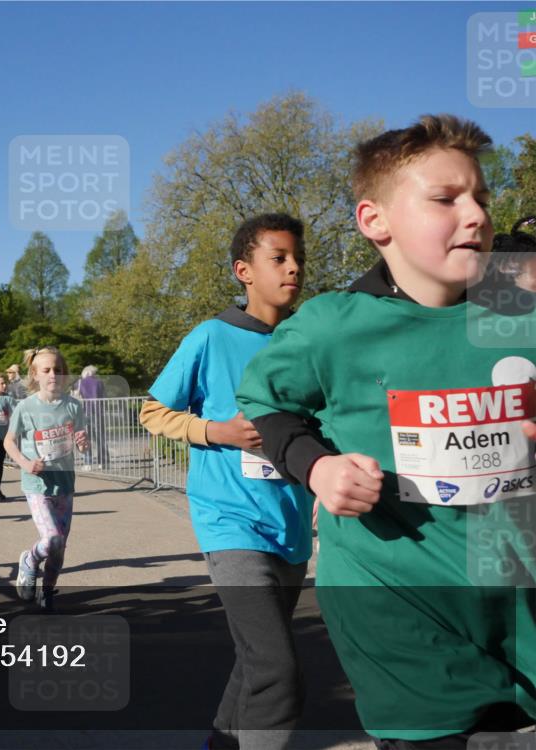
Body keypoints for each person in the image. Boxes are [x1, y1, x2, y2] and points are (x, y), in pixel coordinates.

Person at [237, 115, 536, 746]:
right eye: (445, 199)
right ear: (376, 221)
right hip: (396, 603)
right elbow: (266, 402)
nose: (476, 215)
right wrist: (317, 465)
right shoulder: (333, 325)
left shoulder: (522, 315)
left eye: (482, 198)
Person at [140, 213, 311, 750]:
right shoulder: (211, 336)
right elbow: (152, 411)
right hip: (229, 520)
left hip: (290, 525)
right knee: (278, 670)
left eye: (298, 258)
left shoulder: (307, 339)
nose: (293, 268)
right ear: (244, 271)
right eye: (278, 258)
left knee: (255, 660)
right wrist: (217, 431)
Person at [4, 347, 88, 613]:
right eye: (47, 370)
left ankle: (48, 591)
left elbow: (81, 443)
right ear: (35, 375)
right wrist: (26, 463)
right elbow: (9, 441)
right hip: (37, 485)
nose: (53, 374)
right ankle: (29, 561)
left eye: (58, 370)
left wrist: (83, 443)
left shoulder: (74, 406)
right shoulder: (25, 407)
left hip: (65, 484)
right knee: (52, 538)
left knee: (59, 546)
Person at [76, 365, 108, 470]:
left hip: (84, 413)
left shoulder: (80, 382)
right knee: (100, 438)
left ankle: (88, 463)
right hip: (98, 413)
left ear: (85, 372)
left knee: (86, 438)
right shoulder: (99, 382)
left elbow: (76, 397)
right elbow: (104, 397)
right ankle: (102, 462)